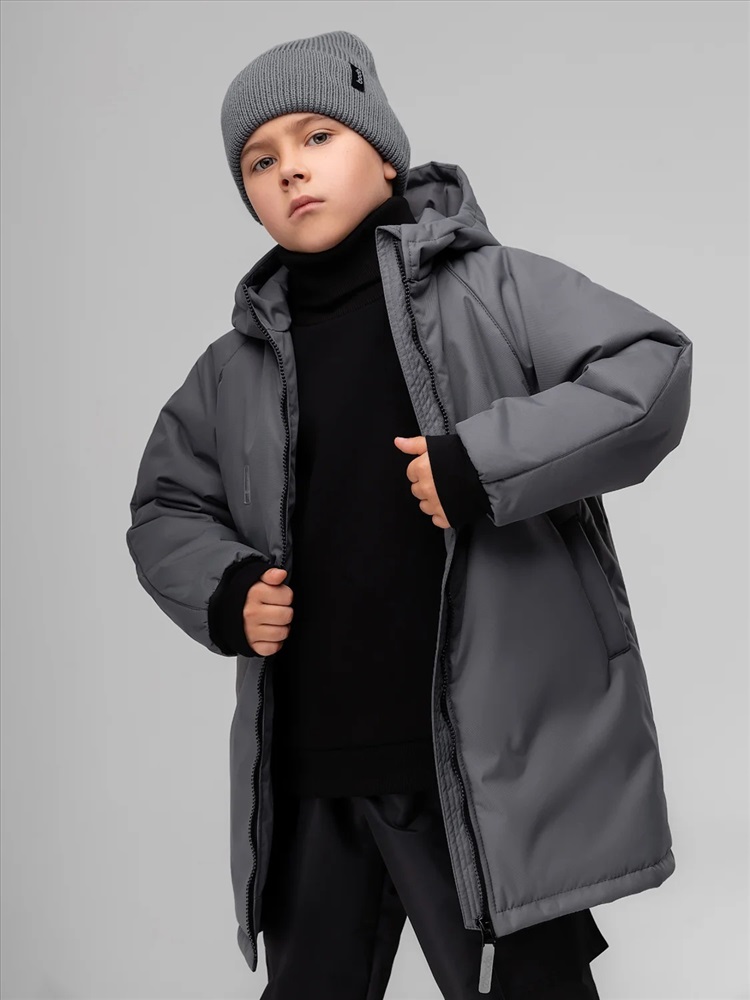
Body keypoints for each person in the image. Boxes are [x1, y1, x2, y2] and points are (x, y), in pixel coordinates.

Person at [126, 29, 693, 999]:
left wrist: (483, 463)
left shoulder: (495, 289)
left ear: (385, 154)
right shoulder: (232, 366)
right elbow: (166, 503)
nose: (290, 169)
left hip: (479, 769)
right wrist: (224, 589)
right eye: (260, 161)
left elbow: (651, 372)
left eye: (317, 137)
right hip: (310, 772)